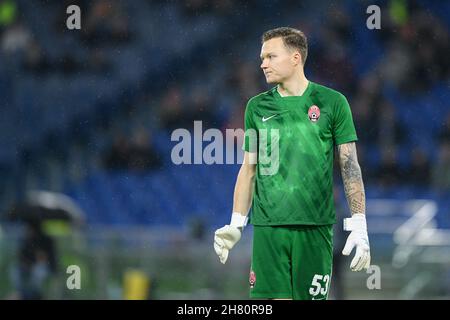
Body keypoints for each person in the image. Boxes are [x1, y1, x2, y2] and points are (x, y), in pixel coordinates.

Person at [214, 27, 370, 300]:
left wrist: (359, 222)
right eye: (262, 57)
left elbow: (349, 165)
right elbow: (248, 168)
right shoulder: (256, 107)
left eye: (271, 56)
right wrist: (236, 222)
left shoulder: (333, 103)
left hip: (315, 228)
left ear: (295, 58)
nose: (263, 63)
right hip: (269, 229)